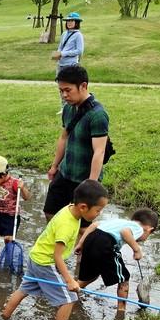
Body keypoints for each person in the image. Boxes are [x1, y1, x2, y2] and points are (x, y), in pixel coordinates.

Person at [2, 179, 109, 320]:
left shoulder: (70, 208)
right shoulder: (66, 225)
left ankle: (4, 316)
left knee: (25, 288)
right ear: (83, 207)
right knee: (69, 299)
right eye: (98, 210)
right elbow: (56, 256)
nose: (98, 214)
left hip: (37, 256)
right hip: (46, 262)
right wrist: (69, 281)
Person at [44, 65, 111, 223]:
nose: (64, 95)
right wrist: (55, 166)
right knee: (50, 213)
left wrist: (91, 185)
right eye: (61, 91)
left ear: (83, 86)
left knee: (82, 226)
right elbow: (63, 138)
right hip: (65, 173)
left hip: (84, 179)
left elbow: (99, 152)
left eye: (68, 90)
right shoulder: (68, 109)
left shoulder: (98, 115)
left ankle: (78, 247)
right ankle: (60, 245)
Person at [75, 208, 159, 314]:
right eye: (148, 236)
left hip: (90, 240)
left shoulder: (119, 221)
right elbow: (125, 232)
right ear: (149, 229)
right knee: (124, 278)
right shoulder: (139, 228)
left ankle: (71, 293)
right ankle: (121, 310)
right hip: (106, 244)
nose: (144, 239)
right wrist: (137, 250)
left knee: (91, 275)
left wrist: (80, 244)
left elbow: (94, 225)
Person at [0, 155, 30, 257]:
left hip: (11, 216)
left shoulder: (14, 183)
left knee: (8, 239)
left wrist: (22, 188)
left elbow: (27, 197)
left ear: (3, 175)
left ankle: (8, 257)